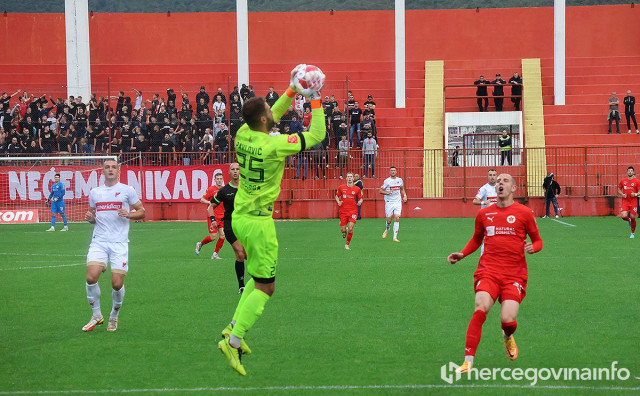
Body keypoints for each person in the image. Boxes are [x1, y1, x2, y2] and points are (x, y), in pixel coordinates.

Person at [217, 66, 326, 376]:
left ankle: (233, 329)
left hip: (240, 215)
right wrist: (314, 97)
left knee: (257, 278)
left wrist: (292, 90)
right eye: (269, 106)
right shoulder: (273, 145)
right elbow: (317, 135)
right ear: (263, 119)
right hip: (258, 222)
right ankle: (233, 341)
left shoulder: (243, 133)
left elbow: (270, 117)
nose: (272, 107)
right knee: (267, 287)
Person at [447, 173, 543, 373]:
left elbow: (537, 240)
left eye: (505, 181)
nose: (500, 183)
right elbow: (476, 239)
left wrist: (535, 247)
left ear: (514, 188)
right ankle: (468, 361)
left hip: (514, 275)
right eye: (498, 181)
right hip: (488, 271)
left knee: (508, 320)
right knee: (481, 307)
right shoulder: (484, 214)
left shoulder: (524, 213)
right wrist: (462, 254)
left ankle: (507, 336)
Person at [82, 159, 145, 332]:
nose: (110, 170)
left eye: (113, 167)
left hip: (119, 243)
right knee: (91, 277)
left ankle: (114, 316)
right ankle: (96, 315)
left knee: (116, 284)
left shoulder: (127, 190)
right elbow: (93, 215)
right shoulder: (95, 192)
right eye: (107, 167)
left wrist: (129, 215)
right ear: (102, 171)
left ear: (119, 170)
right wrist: (91, 219)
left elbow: (142, 211)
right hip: (99, 241)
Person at [207, 163, 246, 294]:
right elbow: (210, 207)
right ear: (229, 172)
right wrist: (213, 220)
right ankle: (241, 286)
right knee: (240, 254)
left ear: (240, 171)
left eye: (237, 169)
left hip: (246, 226)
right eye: (233, 169)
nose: (235, 171)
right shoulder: (224, 191)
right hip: (230, 226)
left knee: (245, 255)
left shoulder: (247, 188)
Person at [196, 170, 226, 259]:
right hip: (212, 216)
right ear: (215, 180)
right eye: (218, 179)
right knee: (213, 237)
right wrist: (210, 202)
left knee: (223, 235)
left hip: (222, 216)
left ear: (223, 179)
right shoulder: (211, 189)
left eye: (221, 179)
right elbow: (202, 200)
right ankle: (200, 244)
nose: (219, 180)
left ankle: (215, 254)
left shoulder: (224, 189)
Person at [335, 172, 363, 250]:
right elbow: (336, 196)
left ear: (353, 179)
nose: (350, 178)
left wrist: (360, 201)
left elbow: (360, 198)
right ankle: (345, 231)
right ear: (346, 178)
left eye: (351, 176)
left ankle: (347, 245)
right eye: (348, 177)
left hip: (353, 211)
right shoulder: (341, 187)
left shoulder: (357, 189)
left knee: (350, 228)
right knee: (343, 230)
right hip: (343, 211)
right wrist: (338, 201)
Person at [380, 166, 407, 242]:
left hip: (398, 202)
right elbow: (380, 191)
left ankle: (395, 237)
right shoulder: (387, 181)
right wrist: (387, 192)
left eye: (394, 170)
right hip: (389, 202)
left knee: (397, 218)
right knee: (389, 220)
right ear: (389, 172)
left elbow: (402, 188)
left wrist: (404, 195)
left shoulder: (400, 180)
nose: (393, 172)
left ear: (396, 171)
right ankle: (387, 229)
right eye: (391, 170)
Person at [617, 166, 640, 238]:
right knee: (623, 216)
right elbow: (618, 189)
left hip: (633, 202)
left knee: (633, 217)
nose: (630, 172)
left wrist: (635, 194)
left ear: (633, 172)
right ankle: (628, 220)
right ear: (627, 172)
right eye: (628, 171)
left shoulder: (637, 181)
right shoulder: (623, 181)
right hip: (625, 201)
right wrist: (622, 194)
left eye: (631, 171)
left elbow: (639, 192)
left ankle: (632, 233)